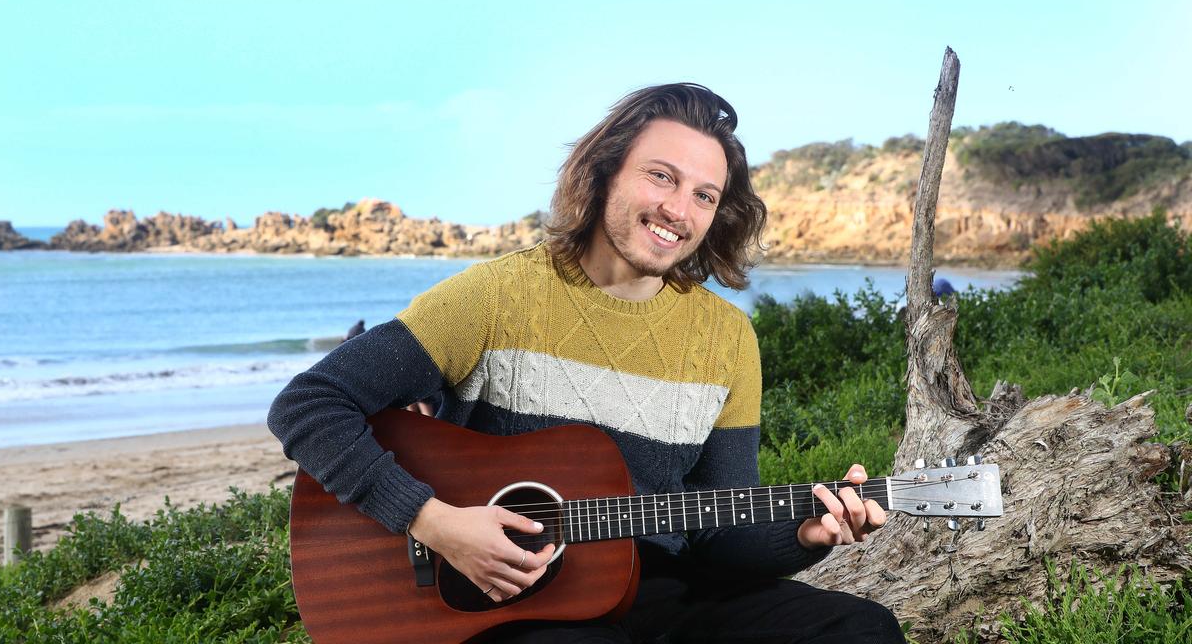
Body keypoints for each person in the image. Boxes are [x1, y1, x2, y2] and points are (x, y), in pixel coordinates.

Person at [268, 83, 904, 643]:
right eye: (662, 177)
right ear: (604, 173)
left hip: (660, 593)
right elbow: (307, 404)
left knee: (860, 629)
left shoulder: (728, 339)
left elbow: (717, 529)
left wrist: (804, 536)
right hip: (510, 604)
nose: (679, 211)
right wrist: (434, 523)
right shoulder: (494, 297)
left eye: (705, 195)